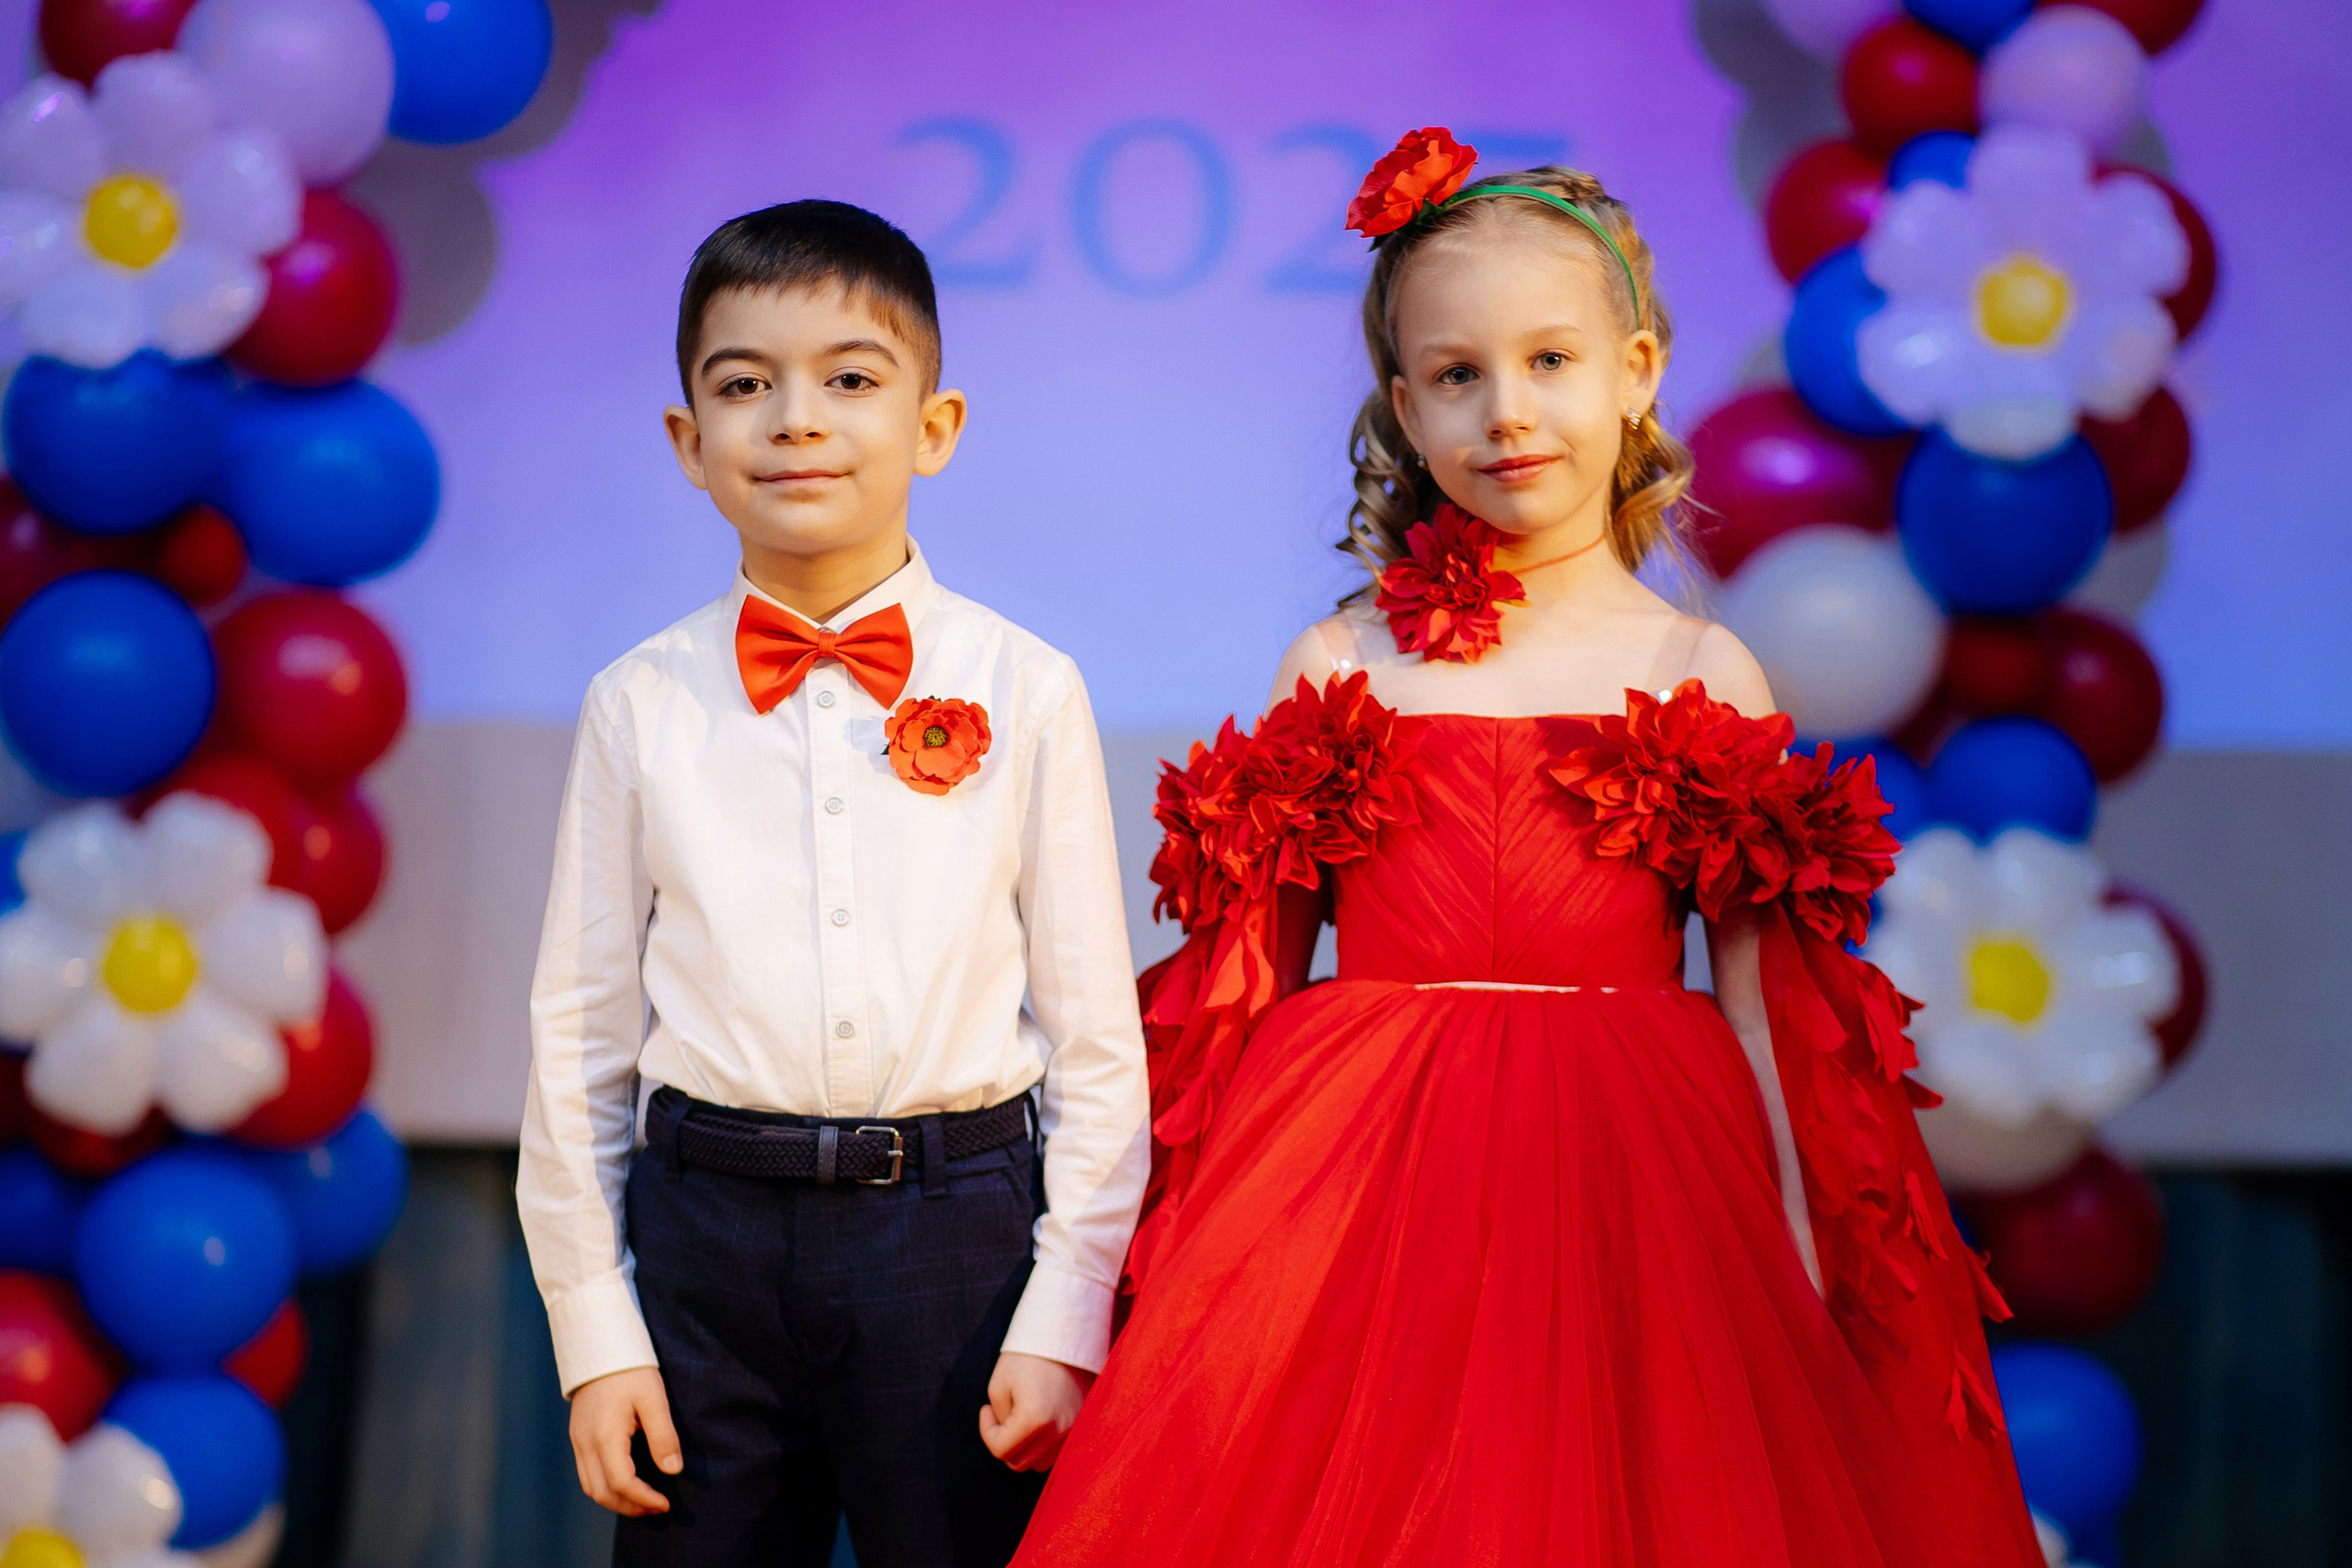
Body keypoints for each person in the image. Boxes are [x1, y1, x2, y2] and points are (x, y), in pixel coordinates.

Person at [1012, 131, 2044, 1566]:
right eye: (1457, 375)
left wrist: (1800, 1269)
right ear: (1404, 406)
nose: (1509, 412)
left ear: (1637, 372)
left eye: (1551, 361)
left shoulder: (1701, 666)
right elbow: (1239, 982)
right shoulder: (1343, 658)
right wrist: (1170, 1254)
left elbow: (1773, 1013)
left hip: (1639, 1191)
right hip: (1355, 1185)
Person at [517, 199, 1150, 1568]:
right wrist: (593, 1330)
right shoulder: (638, 701)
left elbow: (1097, 1036)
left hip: (959, 1243)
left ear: (937, 426)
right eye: (745, 386)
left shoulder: (1026, 687)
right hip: (705, 1240)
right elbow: (577, 1032)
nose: (796, 420)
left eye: (850, 380)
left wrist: (1067, 1306)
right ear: (689, 444)